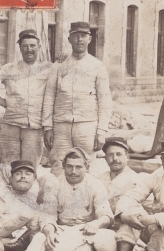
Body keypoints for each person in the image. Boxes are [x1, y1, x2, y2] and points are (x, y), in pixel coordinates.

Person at [0, 148, 116, 251]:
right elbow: (47, 215)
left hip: (85, 229)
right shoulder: (55, 185)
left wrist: (96, 224)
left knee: (88, 242)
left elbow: (106, 215)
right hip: (63, 229)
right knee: (41, 237)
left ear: (86, 167)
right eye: (69, 166)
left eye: (78, 167)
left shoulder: (95, 185)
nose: (73, 171)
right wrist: (49, 231)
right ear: (63, 166)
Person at [43, 21, 112, 175]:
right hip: (61, 126)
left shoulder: (97, 66)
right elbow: (49, 97)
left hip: (87, 126)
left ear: (90, 39)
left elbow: (104, 101)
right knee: (58, 165)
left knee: (86, 166)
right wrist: (47, 127)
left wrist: (101, 131)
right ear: (69, 39)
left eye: (83, 36)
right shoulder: (58, 66)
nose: (79, 39)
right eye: (76, 36)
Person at [0, 29, 53, 166]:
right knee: (8, 167)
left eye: (32, 46)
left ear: (39, 47)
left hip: (34, 128)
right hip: (10, 126)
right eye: (25, 46)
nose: (29, 49)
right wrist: (2, 102)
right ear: (20, 48)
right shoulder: (8, 69)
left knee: (29, 168)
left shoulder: (49, 69)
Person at [95, 136, 141, 214]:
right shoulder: (99, 179)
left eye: (119, 154)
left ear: (127, 157)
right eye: (110, 155)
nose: (115, 158)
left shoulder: (135, 180)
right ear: (105, 158)